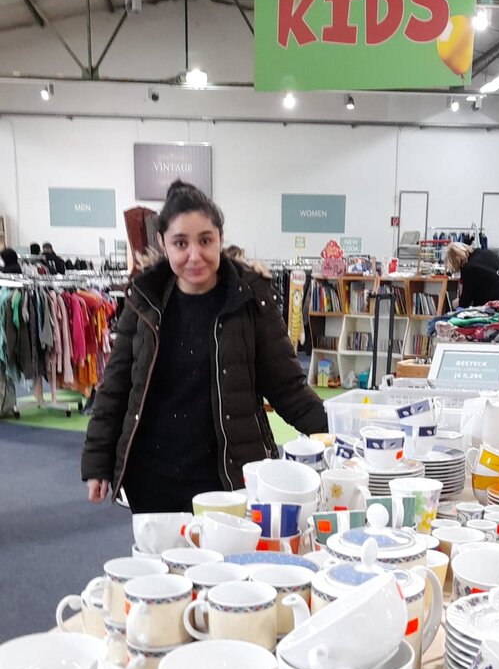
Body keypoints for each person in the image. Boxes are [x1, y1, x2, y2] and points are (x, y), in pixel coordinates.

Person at [81, 180, 328, 511]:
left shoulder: (250, 298)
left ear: (220, 240)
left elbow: (287, 386)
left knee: (233, 560)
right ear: (162, 243)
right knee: (163, 562)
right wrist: (98, 461)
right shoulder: (144, 300)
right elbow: (116, 386)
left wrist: (337, 437)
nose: (194, 255)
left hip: (229, 476)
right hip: (152, 478)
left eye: (205, 240)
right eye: (180, 243)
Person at [444, 242, 499, 309]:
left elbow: (465, 302)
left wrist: (456, 303)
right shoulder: (487, 253)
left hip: (498, 307)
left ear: (456, 261)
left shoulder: (469, 268)